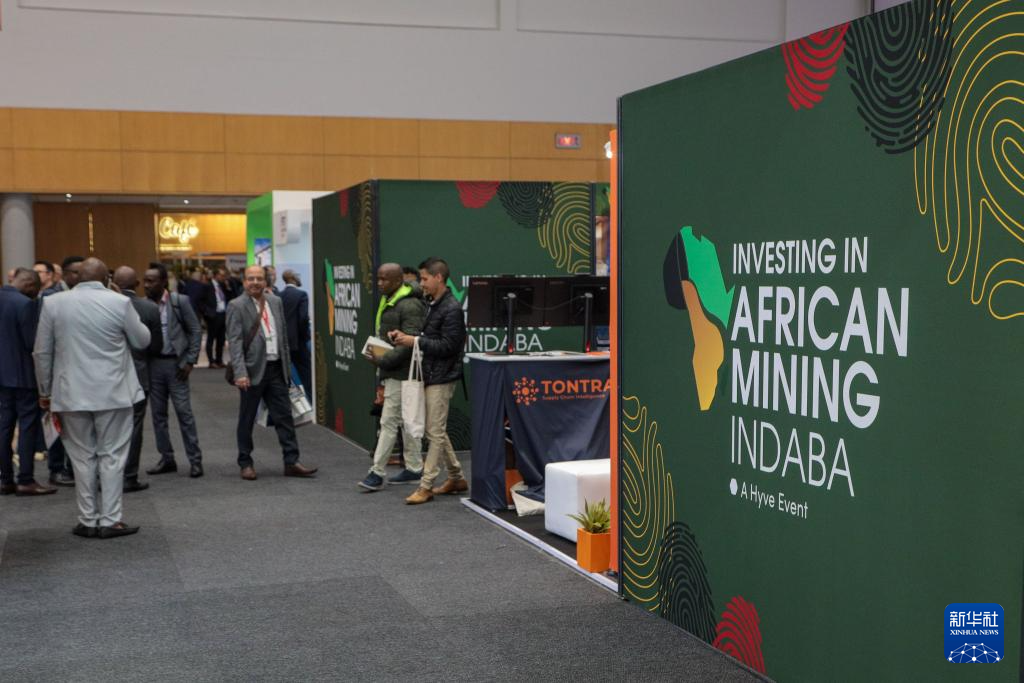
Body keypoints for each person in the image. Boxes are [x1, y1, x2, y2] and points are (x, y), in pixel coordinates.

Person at [33, 257, 150, 538]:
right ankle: (110, 520)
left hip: (70, 394)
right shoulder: (119, 302)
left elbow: (42, 352)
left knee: (81, 458)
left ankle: (87, 519)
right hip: (114, 392)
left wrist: (45, 391)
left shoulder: (53, 303)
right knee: (112, 457)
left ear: (77, 277)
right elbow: (142, 340)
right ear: (105, 279)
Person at [226, 265, 317, 481]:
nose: (255, 282)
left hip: (276, 369)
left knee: (285, 417)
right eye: (251, 279)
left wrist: (287, 368)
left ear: (265, 281)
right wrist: (240, 372)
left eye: (259, 278)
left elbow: (282, 336)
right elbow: (235, 342)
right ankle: (245, 463)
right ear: (244, 282)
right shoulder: (236, 305)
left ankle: (291, 462)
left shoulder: (275, 301)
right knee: (247, 418)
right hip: (251, 371)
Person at [390, 257, 468, 505]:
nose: (421, 283)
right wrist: (407, 337)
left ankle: (426, 486)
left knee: (434, 432)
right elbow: (433, 338)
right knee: (436, 430)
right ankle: (456, 477)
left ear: (439, 278)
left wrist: (414, 341)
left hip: (442, 376)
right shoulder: (433, 303)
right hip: (432, 373)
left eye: (424, 279)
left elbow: (449, 346)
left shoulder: (452, 309)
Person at [358, 263, 426, 492]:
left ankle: (377, 472)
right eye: (378, 278)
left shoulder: (409, 304)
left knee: (389, 421)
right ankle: (414, 468)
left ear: (398, 281)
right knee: (405, 422)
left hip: (403, 373)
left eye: (384, 279)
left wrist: (382, 360)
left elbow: (410, 342)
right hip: (395, 371)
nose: (379, 283)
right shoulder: (391, 299)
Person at [142, 263, 205, 479]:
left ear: (163, 282)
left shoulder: (179, 301)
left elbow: (195, 330)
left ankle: (195, 460)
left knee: (184, 413)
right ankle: (167, 458)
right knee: (158, 416)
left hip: (176, 365)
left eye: (151, 281)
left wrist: (190, 361)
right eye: (145, 280)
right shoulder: (143, 305)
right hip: (153, 365)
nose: (146, 285)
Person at [0, 268, 55, 497]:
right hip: (23, 375)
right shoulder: (25, 304)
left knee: (4, 427)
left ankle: (5, 479)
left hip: (2, 376)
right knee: (27, 427)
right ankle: (25, 479)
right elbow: (32, 343)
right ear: (30, 285)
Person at [113, 266, 161, 493]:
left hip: (109, 376)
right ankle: (129, 476)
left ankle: (107, 476)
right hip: (139, 374)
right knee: (134, 427)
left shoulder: (104, 305)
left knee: (107, 428)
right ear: (137, 284)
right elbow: (156, 346)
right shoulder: (149, 307)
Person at [279, 269, 312, 399]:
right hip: (299, 343)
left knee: (283, 377)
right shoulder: (301, 295)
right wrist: (306, 337)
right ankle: (312, 403)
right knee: (307, 376)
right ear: (293, 278)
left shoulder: (278, 296)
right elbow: (303, 318)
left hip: (282, 343)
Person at [199, 267, 232, 369]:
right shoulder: (207, 286)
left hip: (222, 314)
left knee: (221, 339)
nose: (223, 277)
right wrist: (207, 313)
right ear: (216, 275)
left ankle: (219, 360)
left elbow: (229, 296)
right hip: (213, 315)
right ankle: (211, 361)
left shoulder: (223, 285)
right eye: (221, 275)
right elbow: (200, 301)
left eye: (224, 275)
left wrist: (228, 287)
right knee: (211, 338)